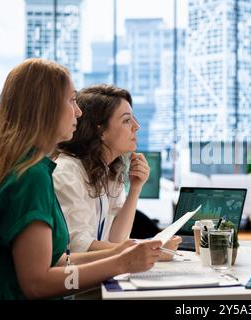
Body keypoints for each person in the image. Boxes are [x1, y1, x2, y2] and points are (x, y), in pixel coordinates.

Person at [0, 59, 162, 300]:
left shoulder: (30, 168)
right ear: (46, 108)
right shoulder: (31, 175)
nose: (78, 111)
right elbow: (37, 283)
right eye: (71, 100)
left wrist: (122, 252)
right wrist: (120, 263)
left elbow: (58, 261)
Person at [52, 84, 180, 259]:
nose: (136, 126)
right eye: (126, 120)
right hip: (75, 279)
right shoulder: (67, 172)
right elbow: (78, 246)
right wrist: (149, 249)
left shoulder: (108, 171)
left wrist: (135, 188)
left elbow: (117, 239)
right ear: (101, 131)